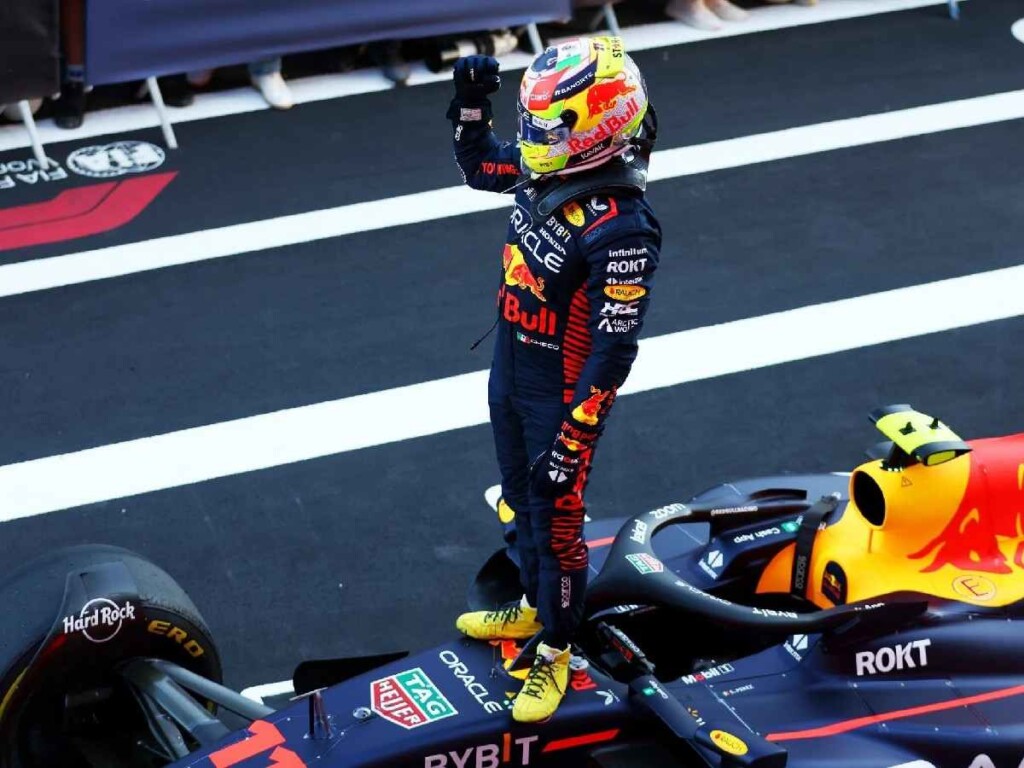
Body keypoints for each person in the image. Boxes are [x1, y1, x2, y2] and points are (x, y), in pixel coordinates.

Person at [447, 37, 661, 723]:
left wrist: (577, 433)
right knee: (517, 502)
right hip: (513, 363)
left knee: (557, 520)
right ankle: (535, 606)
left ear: (598, 127)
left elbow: (614, 349)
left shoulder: (625, 226)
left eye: (548, 125)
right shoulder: (550, 167)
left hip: (561, 393)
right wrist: (471, 103)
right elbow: (480, 166)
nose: (533, 138)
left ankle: (558, 651)